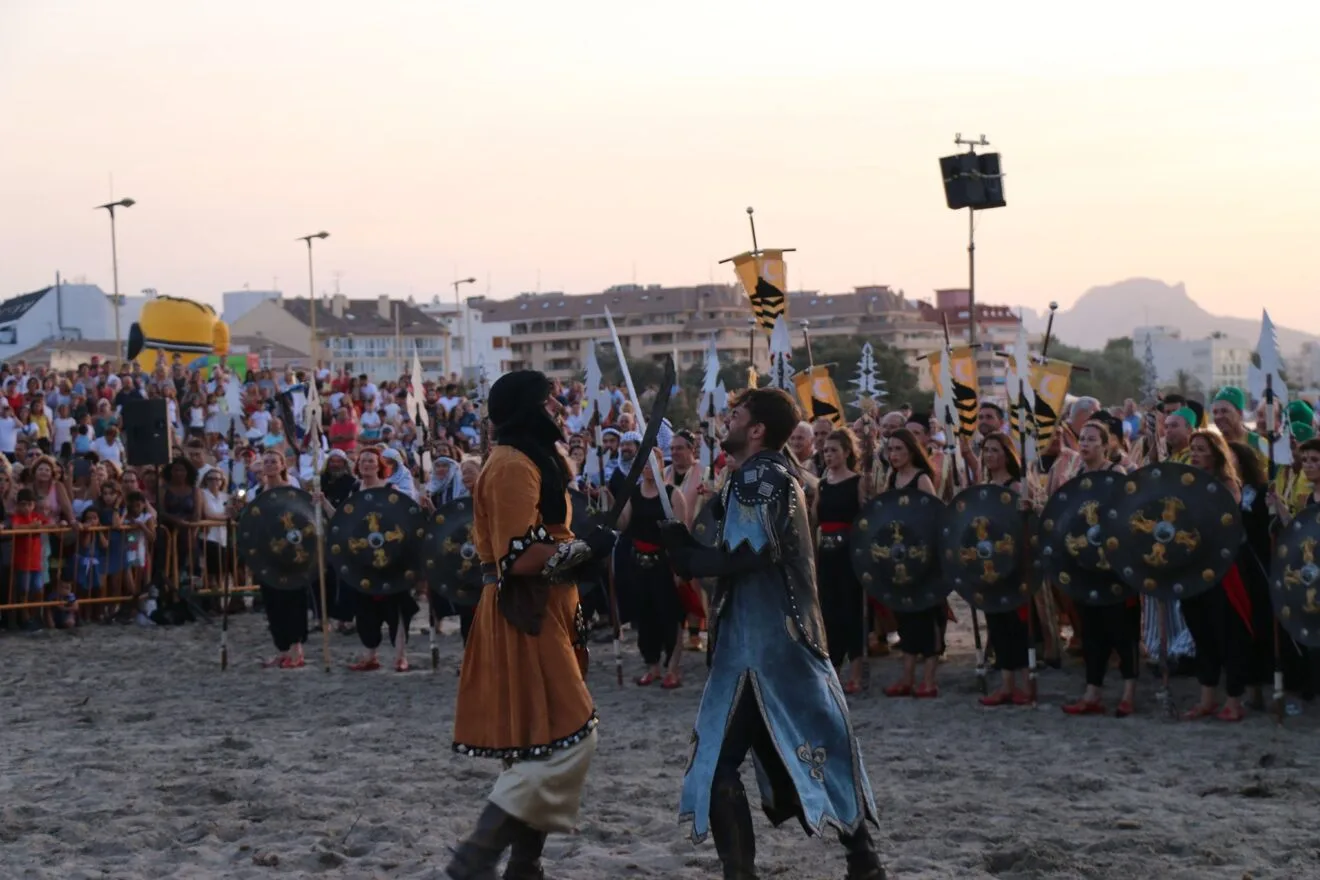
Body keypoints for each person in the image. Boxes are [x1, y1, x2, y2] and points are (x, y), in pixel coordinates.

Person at [659, 387, 884, 880]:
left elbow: (748, 553)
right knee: (816, 743)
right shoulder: (761, 477)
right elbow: (721, 538)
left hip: (763, 649)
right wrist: (681, 540)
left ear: (756, 429)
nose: (727, 420)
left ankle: (746, 875)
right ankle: (863, 861)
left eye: (735, 414)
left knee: (720, 762)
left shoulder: (763, 476)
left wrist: (686, 555)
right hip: (763, 641)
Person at [446, 370, 616, 880]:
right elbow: (517, 556)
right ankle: (475, 858)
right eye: (548, 401)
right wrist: (585, 549)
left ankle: (525, 867)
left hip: (547, 608)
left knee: (538, 742)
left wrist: (580, 544)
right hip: (525, 610)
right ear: (528, 408)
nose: (558, 409)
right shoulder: (511, 466)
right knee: (568, 738)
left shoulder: (530, 460)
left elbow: (544, 537)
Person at [1060, 422, 1140, 717]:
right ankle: (1092, 692)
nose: (1085, 444)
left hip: (1116, 567)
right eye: (1082, 439)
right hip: (1087, 564)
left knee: (1123, 631)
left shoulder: (1116, 474)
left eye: (1092, 440)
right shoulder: (1077, 475)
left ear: (1106, 445)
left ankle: (1129, 693)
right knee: (1092, 631)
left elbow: (1128, 519)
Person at [881, 428, 943, 698]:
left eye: (898, 449)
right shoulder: (892, 478)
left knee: (926, 617)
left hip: (922, 558)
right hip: (899, 557)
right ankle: (907, 677)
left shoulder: (921, 479)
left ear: (911, 450)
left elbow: (934, 516)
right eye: (890, 449)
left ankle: (928, 680)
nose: (893, 455)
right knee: (905, 617)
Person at [977, 433, 1032, 707]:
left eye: (995, 450)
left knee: (1016, 625)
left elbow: (1024, 525)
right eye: (986, 450)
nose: (989, 455)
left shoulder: (1017, 486)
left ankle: (1025, 683)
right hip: (990, 564)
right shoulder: (985, 487)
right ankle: (1007, 684)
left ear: (1006, 453)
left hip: (1013, 563)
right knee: (997, 623)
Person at [814, 427, 868, 694]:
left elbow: (866, 518)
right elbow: (815, 519)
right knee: (829, 612)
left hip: (849, 554)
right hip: (827, 553)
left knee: (851, 611)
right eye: (825, 451)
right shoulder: (822, 484)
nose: (829, 455)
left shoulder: (857, 481)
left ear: (847, 452)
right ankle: (833, 669)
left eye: (834, 450)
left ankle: (856, 671)